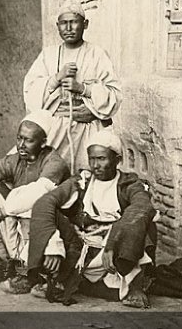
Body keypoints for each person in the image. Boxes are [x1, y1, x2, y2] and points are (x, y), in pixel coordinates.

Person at [26, 129, 156, 308]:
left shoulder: (129, 184)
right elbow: (46, 202)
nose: (95, 165)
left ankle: (135, 287)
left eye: (102, 159)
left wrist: (113, 242)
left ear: (117, 160)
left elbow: (141, 207)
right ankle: (60, 276)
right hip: (83, 247)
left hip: (113, 252)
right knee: (47, 213)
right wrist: (52, 245)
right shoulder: (82, 181)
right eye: (92, 159)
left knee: (143, 222)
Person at [0, 110, 69, 291]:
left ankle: (27, 273)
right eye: (19, 138)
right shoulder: (14, 160)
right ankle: (0, 263)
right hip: (17, 223)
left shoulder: (54, 163)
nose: (21, 145)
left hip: (47, 229)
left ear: (43, 143)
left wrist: (1, 212)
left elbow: (38, 193)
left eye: (29, 140)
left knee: (36, 207)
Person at [23, 0, 121, 170]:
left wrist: (83, 89)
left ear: (85, 24)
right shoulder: (48, 55)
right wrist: (56, 78)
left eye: (74, 22)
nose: (68, 28)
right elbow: (30, 93)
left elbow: (114, 95)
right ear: (57, 26)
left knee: (88, 175)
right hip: (56, 127)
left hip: (89, 127)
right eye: (63, 23)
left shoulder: (97, 54)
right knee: (37, 168)